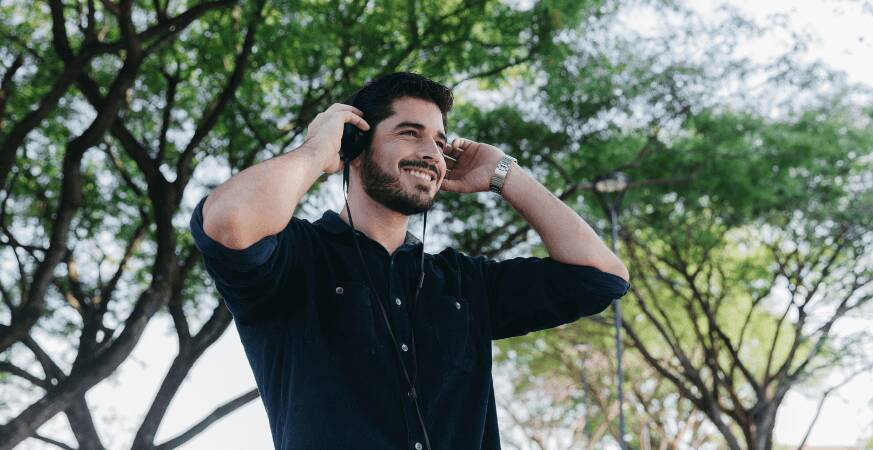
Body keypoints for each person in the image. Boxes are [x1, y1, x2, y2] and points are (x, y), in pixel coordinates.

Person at [189, 72, 630, 450]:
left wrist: (504, 175)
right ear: (354, 147)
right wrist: (315, 151)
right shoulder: (294, 260)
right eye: (409, 132)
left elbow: (602, 278)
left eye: (439, 141)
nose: (431, 152)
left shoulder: (463, 283)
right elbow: (228, 220)